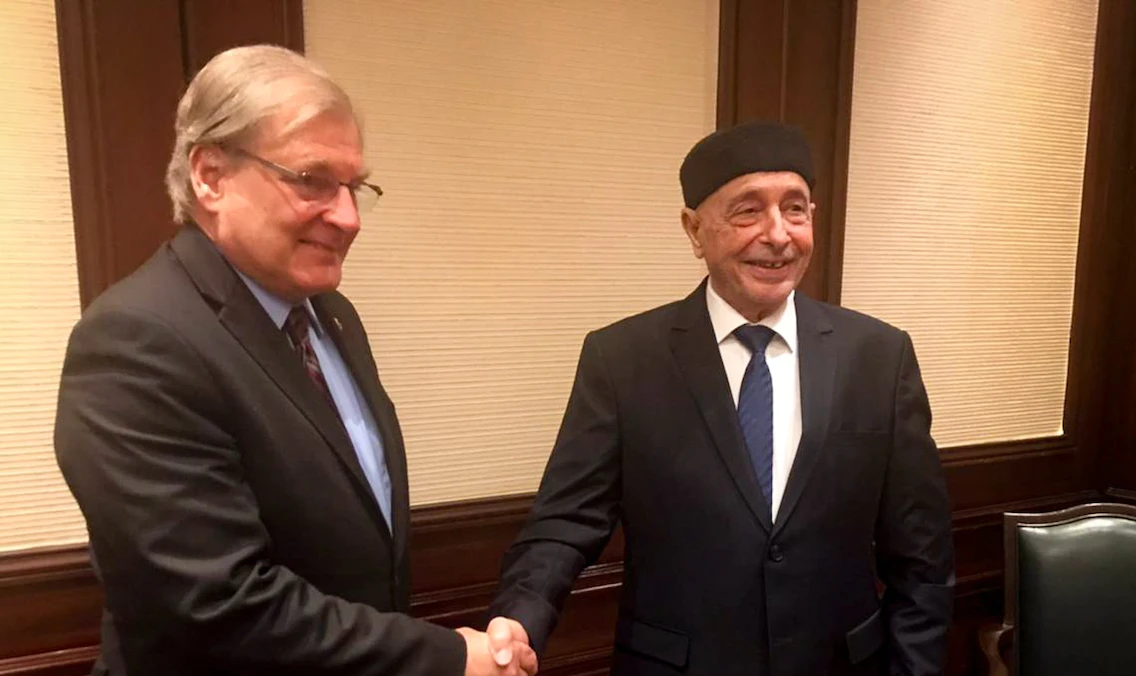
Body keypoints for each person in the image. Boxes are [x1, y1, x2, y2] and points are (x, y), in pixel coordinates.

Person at [54, 44, 535, 676]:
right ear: (210, 175)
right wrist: (448, 658)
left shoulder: (332, 317)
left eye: (354, 187)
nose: (348, 217)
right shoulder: (137, 341)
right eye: (312, 181)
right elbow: (218, 603)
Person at [487, 122, 954, 675]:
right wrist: (520, 619)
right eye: (748, 211)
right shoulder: (623, 359)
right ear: (694, 229)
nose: (777, 234)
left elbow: (922, 560)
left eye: (795, 209)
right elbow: (565, 521)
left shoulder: (879, 356)